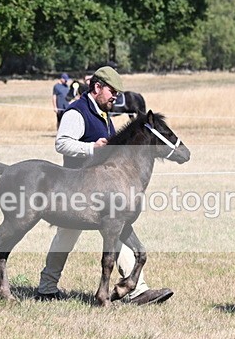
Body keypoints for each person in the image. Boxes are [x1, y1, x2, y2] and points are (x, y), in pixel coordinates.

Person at [36, 66, 174, 305]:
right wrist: (92, 147)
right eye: (112, 91)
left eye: (118, 93)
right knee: (66, 236)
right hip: (76, 188)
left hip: (103, 190)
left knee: (116, 230)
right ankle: (47, 287)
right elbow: (62, 144)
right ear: (97, 87)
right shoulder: (76, 112)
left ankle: (137, 289)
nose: (116, 97)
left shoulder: (104, 113)